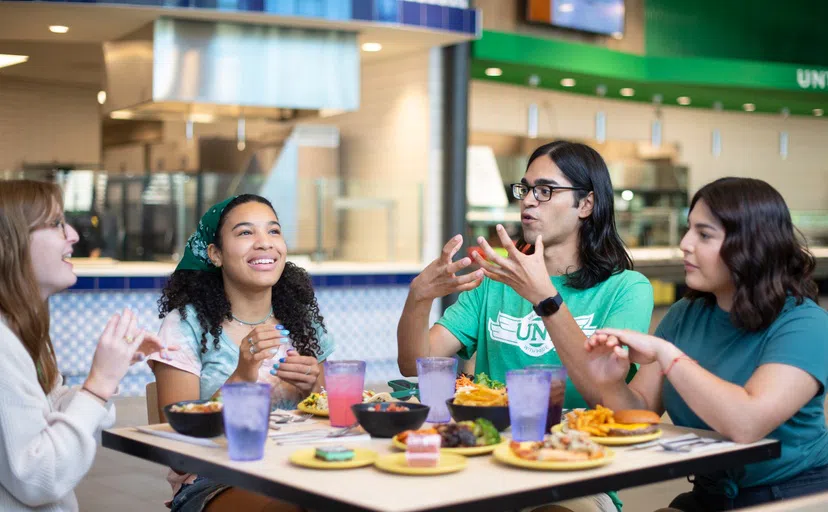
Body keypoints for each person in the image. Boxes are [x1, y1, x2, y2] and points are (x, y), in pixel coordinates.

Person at [397, 141, 654, 512]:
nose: (529, 201)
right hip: (486, 461)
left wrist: (546, 299)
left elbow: (604, 392)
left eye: (546, 191)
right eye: (525, 189)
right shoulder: (493, 281)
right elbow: (416, 363)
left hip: (573, 470)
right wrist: (417, 299)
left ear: (586, 204)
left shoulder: (626, 289)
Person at [585, 177, 828, 511]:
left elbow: (747, 423)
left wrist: (668, 355)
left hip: (793, 496)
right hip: (710, 496)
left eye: (704, 234)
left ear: (751, 245)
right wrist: (610, 381)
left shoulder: (805, 324)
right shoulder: (687, 314)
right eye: (688, 229)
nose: (685, 243)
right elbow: (639, 412)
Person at [149, 194, 334, 512]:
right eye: (246, 232)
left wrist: (313, 387)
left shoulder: (302, 319)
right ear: (216, 254)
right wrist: (242, 375)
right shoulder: (185, 325)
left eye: (273, 231)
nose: (265, 243)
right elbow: (177, 441)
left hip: (300, 463)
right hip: (215, 479)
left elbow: (332, 413)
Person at [0, 180, 169, 511]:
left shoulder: (19, 331)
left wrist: (108, 370)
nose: (73, 235)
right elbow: (39, 478)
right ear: (12, 243)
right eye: (56, 224)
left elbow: (46, 411)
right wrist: (99, 384)